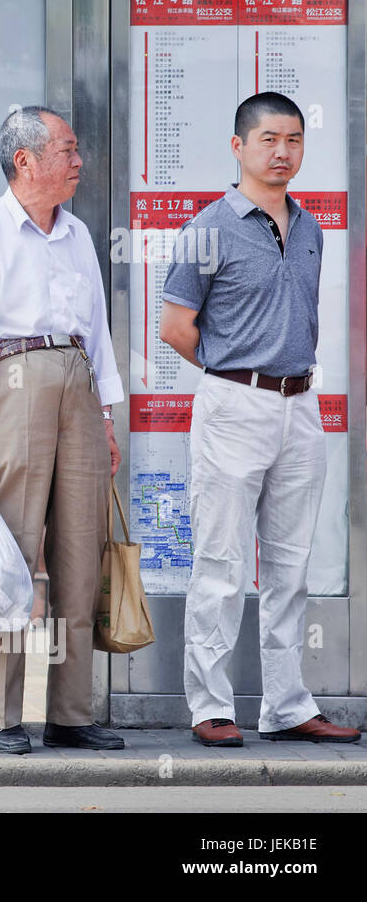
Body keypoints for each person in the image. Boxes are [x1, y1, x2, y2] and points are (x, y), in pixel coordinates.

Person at [160, 92, 359, 746]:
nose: (283, 151)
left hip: (301, 405)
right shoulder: (208, 229)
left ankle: (286, 704)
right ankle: (210, 705)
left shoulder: (309, 227)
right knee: (220, 561)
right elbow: (174, 328)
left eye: (295, 140)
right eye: (269, 139)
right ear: (239, 146)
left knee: (289, 565)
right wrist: (229, 370)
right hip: (233, 403)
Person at [0, 105, 124, 754]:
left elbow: (98, 331)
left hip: (77, 381)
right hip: (10, 381)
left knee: (81, 553)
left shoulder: (75, 234)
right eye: (68, 151)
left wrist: (105, 416)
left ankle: (72, 713)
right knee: (8, 556)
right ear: (26, 161)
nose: (78, 162)